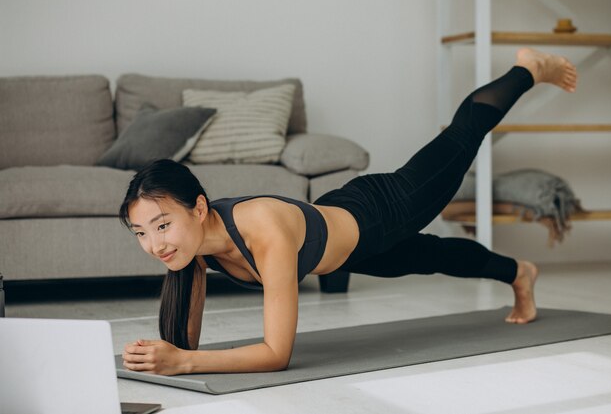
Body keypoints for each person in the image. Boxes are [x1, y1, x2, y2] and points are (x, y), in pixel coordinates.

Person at [120, 48, 577, 375]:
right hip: (351, 241)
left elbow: (277, 354)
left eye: (162, 225)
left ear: (199, 208)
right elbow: (185, 345)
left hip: (386, 205)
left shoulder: (263, 231)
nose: (154, 244)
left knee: (461, 136)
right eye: (141, 232)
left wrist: (183, 361)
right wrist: (168, 354)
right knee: (435, 257)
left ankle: (528, 69)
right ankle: (520, 273)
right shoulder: (191, 250)